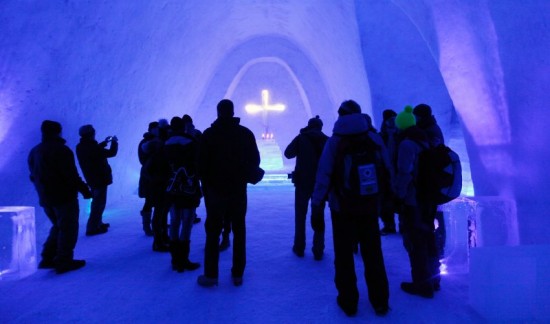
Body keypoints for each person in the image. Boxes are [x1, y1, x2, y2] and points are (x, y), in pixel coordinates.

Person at [311, 100, 390, 317]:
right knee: (373, 252)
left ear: (341, 116)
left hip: (342, 206)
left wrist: (317, 202)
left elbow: (324, 173)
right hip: (370, 205)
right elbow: (387, 167)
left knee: (344, 254)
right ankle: (380, 300)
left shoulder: (336, 141)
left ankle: (348, 301)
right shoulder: (373, 137)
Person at [197, 99, 260, 287]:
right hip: (237, 190)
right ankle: (237, 274)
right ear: (233, 112)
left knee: (213, 231)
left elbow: (200, 165)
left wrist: (207, 183)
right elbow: (254, 161)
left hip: (215, 191)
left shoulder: (208, 135)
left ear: (218, 112)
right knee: (239, 229)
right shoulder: (245, 134)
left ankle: (211, 275)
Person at [28, 120, 92, 274]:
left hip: (45, 197)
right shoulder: (62, 150)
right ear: (59, 132)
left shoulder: (35, 151)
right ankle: (64, 261)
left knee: (58, 226)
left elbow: (33, 175)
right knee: (68, 228)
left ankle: (48, 258)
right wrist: (84, 189)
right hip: (63, 196)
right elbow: (70, 175)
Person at [393, 106, 437, 298]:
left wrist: (398, 195)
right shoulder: (426, 139)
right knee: (428, 237)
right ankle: (433, 279)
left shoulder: (407, 144)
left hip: (413, 199)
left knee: (415, 241)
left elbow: (405, 173)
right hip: (428, 197)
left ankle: (421, 283)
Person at [284, 115, 328, 260]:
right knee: (319, 216)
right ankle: (318, 249)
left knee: (300, 215)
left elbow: (288, 153)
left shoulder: (301, 138)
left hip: (302, 182)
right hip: (320, 184)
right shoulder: (326, 140)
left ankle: (299, 247)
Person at [413, 103, 445, 290]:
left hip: (429, 188)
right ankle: (432, 274)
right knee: (428, 231)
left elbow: (431, 158)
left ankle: (432, 275)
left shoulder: (431, 132)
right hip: (428, 188)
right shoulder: (429, 129)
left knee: (428, 231)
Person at [163, 117, 201, 272]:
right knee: (186, 222)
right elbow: (198, 164)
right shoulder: (191, 143)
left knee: (174, 221)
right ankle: (184, 259)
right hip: (188, 188)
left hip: (172, 188)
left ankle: (175, 260)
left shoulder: (165, 144)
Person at [76, 124, 118, 236]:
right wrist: (114, 142)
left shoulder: (81, 146)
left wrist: (104, 143)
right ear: (91, 134)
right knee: (98, 204)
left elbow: (95, 152)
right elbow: (111, 153)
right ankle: (92, 228)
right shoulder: (92, 147)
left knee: (97, 203)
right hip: (100, 179)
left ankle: (98, 223)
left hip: (92, 178)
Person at [379, 109, 399, 235]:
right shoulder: (399, 133)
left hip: (389, 171)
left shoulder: (383, 135)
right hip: (390, 171)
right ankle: (391, 224)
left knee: (388, 199)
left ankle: (390, 225)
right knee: (389, 199)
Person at [138, 121, 159, 236]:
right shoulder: (145, 142)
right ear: (151, 129)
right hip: (149, 176)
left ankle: (157, 222)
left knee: (156, 200)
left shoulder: (157, 141)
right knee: (149, 200)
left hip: (155, 175)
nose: (157, 130)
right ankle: (146, 226)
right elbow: (142, 160)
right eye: (155, 129)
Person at [182, 114, 203, 225]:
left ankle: (189, 214)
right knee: (192, 192)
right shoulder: (197, 134)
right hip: (194, 168)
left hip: (185, 169)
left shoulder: (180, 135)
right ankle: (190, 214)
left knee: (189, 192)